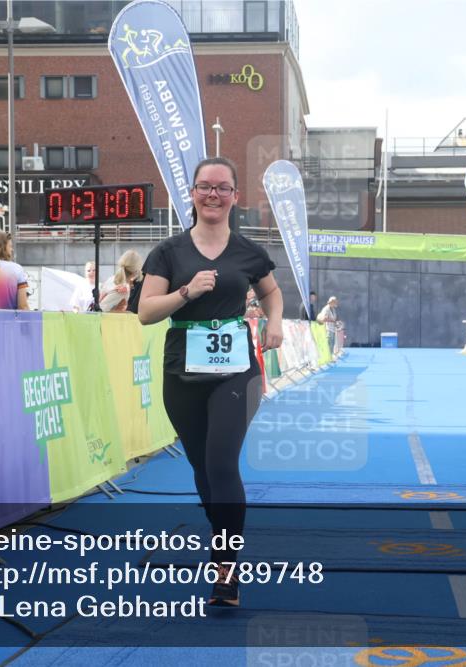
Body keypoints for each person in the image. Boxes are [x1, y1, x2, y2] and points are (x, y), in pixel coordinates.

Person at [138, 157, 283, 607]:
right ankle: (221, 537)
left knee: (222, 464)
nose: (214, 195)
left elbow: (271, 291)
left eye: (223, 188)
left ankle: (225, 571)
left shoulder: (248, 252)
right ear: (194, 195)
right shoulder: (169, 252)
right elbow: (145, 312)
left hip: (238, 372)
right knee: (202, 468)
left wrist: (274, 321)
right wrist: (186, 292)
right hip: (182, 373)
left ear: (235, 196)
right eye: (205, 187)